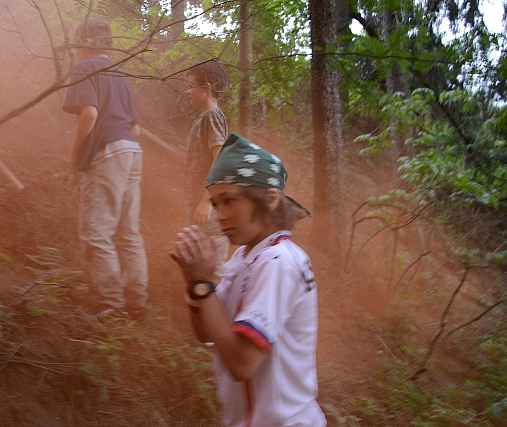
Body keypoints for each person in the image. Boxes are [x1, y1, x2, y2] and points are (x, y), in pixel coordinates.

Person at [171, 133, 326, 427]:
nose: (219, 215)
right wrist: (196, 283)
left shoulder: (278, 262)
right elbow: (207, 333)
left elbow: (242, 363)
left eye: (229, 200)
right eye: (215, 204)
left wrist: (204, 285)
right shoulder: (244, 257)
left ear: (270, 199)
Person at [62, 17, 148, 320]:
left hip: (108, 154)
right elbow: (136, 129)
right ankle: (136, 301)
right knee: (128, 232)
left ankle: (110, 304)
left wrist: (74, 154)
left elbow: (89, 114)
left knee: (97, 232)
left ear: (83, 44)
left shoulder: (85, 67)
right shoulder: (119, 74)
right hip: (132, 152)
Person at [183, 60, 230, 281]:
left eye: (191, 86)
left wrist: (206, 200)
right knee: (198, 274)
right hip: (199, 208)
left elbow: (221, 158)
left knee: (211, 277)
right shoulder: (205, 118)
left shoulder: (212, 116)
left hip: (209, 213)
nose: (188, 91)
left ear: (206, 87)